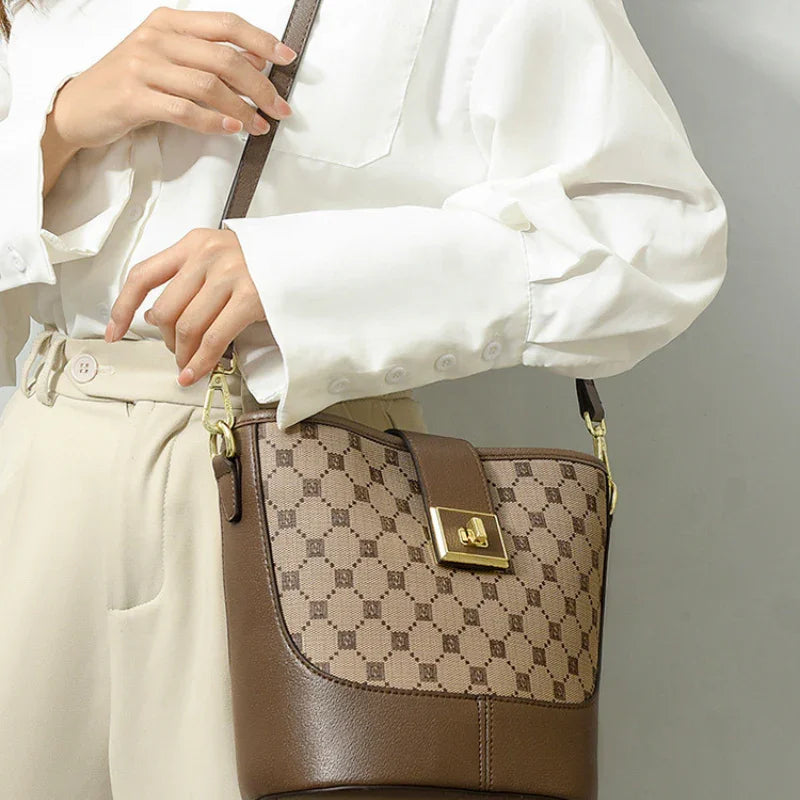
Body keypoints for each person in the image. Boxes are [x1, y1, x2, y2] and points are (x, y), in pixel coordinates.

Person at [0, 0, 728, 797]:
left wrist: (301, 275)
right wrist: (58, 129)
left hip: (294, 487)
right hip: (38, 469)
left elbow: (655, 236)